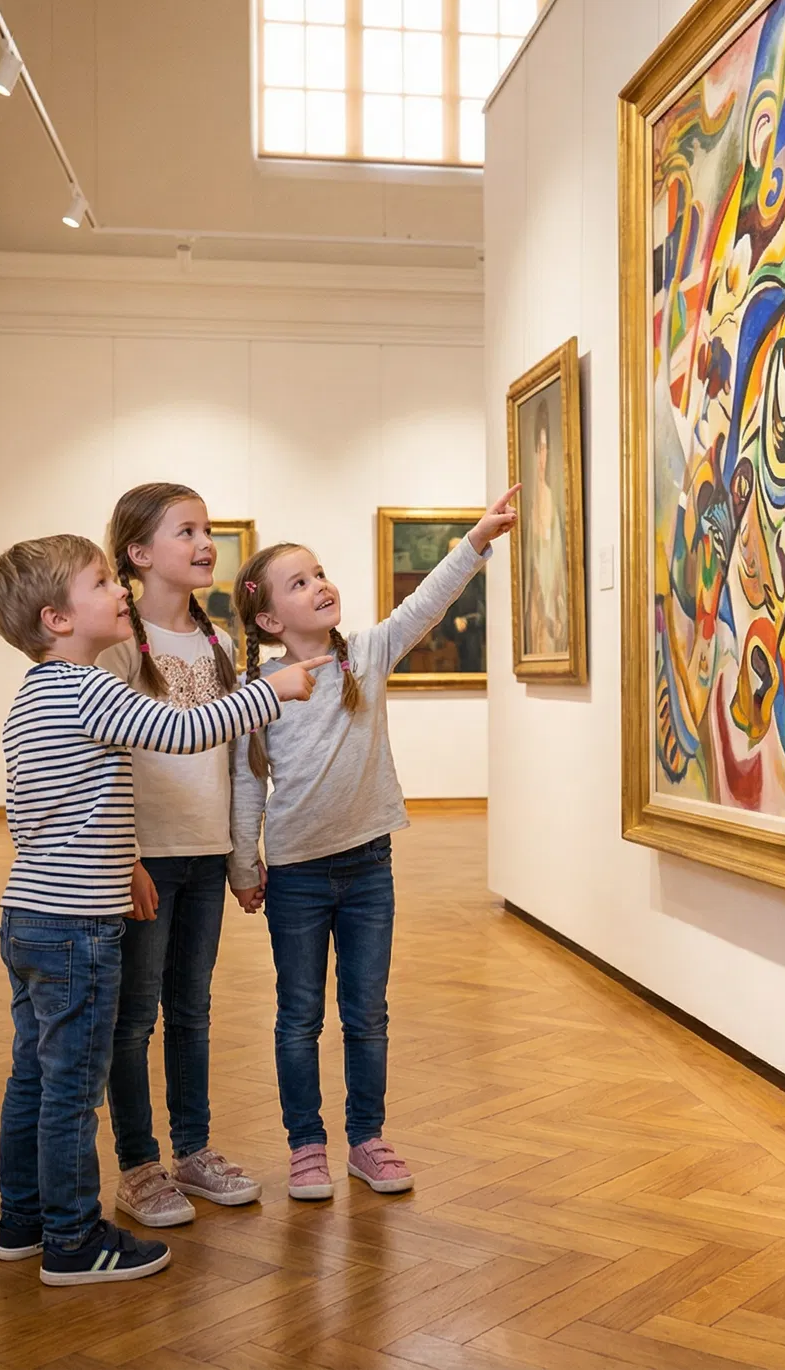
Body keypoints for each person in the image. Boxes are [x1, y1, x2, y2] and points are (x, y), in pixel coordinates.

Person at [0, 533, 331, 1286]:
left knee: (34, 1078)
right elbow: (182, 730)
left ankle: (23, 1221)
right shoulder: (89, 687)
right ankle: (74, 1241)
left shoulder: (30, 698)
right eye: (102, 582)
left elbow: (23, 814)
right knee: (73, 1090)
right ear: (58, 618)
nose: (118, 593)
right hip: (79, 929)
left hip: (29, 916)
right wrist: (275, 689)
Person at [230, 486, 517, 1201]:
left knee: (367, 1011)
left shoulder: (367, 654)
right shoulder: (261, 691)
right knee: (299, 1015)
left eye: (320, 572)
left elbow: (427, 604)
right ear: (269, 618)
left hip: (368, 867)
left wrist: (476, 539)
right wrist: (244, 864)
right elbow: (244, 783)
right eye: (299, 582)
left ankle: (368, 1139)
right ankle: (305, 1146)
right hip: (295, 873)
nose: (320, 585)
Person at [92, 483, 264, 1230]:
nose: (205, 544)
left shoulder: (221, 644)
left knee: (191, 1010)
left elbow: (237, 761)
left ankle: (192, 1151)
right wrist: (125, 856)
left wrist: (239, 855)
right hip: (149, 859)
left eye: (208, 530)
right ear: (138, 554)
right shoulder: (122, 647)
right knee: (134, 1020)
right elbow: (104, 760)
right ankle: (138, 1167)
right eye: (186, 531)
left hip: (204, 854)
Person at [524, 416, 567, 652]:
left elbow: (558, 561)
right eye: (539, 448)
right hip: (537, 603)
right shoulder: (529, 503)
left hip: (552, 599)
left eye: (546, 447)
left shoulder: (552, 499)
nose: (543, 456)